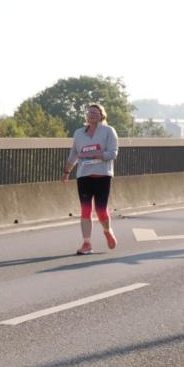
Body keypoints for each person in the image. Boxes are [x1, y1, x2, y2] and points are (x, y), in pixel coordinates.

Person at [61, 103, 119, 255]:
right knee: (85, 210)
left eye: (95, 112)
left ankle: (107, 230)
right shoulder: (79, 133)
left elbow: (113, 153)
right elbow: (74, 153)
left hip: (102, 175)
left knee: (101, 210)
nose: (92, 114)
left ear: (101, 115)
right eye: (89, 112)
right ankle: (87, 243)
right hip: (84, 176)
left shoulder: (108, 131)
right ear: (86, 115)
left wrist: (99, 155)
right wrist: (67, 171)